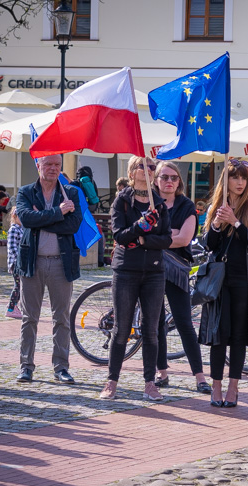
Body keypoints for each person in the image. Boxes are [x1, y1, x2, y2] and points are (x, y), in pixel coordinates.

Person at [99, 156, 171, 401]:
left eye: (152, 167)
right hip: (126, 271)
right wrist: (141, 225)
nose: (149, 170)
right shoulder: (122, 201)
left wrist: (141, 240)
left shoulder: (159, 203)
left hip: (153, 272)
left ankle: (150, 383)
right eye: (143, 166)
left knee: (151, 330)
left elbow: (166, 240)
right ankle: (112, 381)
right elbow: (119, 236)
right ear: (132, 172)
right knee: (121, 330)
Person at [199, 158, 248, 408]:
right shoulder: (216, 207)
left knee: (239, 336)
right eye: (235, 177)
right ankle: (215, 385)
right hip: (220, 282)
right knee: (219, 334)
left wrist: (236, 222)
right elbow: (208, 245)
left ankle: (233, 386)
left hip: (244, 280)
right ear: (225, 181)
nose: (239, 182)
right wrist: (217, 225)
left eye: (244, 178)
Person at [15, 154, 83, 385]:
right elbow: (25, 219)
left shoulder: (70, 193)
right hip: (32, 261)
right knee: (29, 318)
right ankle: (26, 367)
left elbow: (73, 225)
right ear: (38, 165)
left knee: (61, 318)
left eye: (57, 165)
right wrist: (57, 213)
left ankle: (61, 367)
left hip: (60, 262)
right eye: (48, 164)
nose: (53, 169)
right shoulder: (26, 191)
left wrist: (41, 217)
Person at [152, 160, 211, 394]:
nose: (169, 182)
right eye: (164, 177)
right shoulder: (150, 203)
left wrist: (158, 236)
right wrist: (170, 234)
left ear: (179, 182)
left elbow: (185, 239)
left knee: (184, 323)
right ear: (156, 180)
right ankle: (161, 372)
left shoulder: (186, 206)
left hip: (177, 270)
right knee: (155, 323)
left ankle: (199, 376)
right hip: (152, 268)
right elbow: (144, 234)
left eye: (173, 178)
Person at [5, 208, 24, 319]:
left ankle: (14, 305)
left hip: (21, 263)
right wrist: (18, 262)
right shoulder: (14, 229)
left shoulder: (21, 229)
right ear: (14, 217)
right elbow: (12, 248)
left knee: (21, 286)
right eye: (20, 216)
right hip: (16, 264)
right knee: (18, 286)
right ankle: (11, 309)